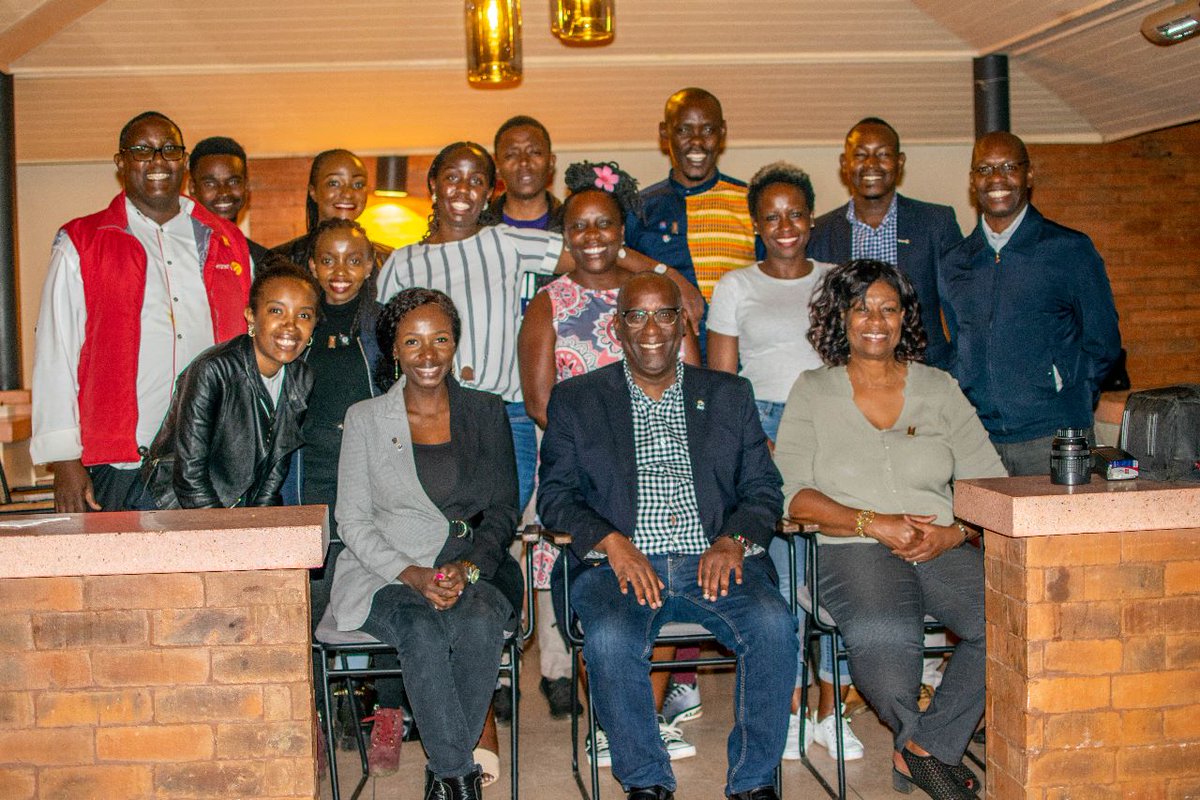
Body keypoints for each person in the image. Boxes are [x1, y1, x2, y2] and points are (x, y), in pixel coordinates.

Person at [538, 272, 795, 800]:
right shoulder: (578, 400)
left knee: (773, 625)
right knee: (610, 637)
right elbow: (556, 499)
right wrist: (612, 543)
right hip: (620, 563)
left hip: (714, 558)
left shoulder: (727, 394)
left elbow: (765, 489)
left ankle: (753, 782)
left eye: (664, 314)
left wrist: (732, 541)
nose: (650, 328)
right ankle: (646, 781)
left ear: (682, 324)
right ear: (617, 327)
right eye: (636, 315)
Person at [773, 259, 1006, 800]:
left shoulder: (939, 386)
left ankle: (924, 749)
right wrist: (872, 523)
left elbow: (989, 480)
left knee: (1008, 620)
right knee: (885, 632)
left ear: (905, 318)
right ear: (842, 318)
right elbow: (793, 494)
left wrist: (956, 532)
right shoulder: (813, 390)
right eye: (861, 308)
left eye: (888, 308)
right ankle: (919, 745)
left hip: (940, 542)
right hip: (851, 545)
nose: (875, 320)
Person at [518, 162, 698, 758]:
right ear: (565, 234)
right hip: (584, 470)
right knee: (605, 594)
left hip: (668, 461)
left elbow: (695, 386)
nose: (592, 236)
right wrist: (611, 449)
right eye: (579, 226)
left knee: (670, 581)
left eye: (604, 223)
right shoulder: (550, 301)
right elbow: (540, 401)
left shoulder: (655, 294)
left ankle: (643, 719)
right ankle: (609, 721)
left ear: (623, 229)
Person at [331, 288, 522, 800]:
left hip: (475, 563)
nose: (428, 354)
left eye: (440, 339)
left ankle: (445, 775)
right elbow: (351, 518)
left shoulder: (485, 410)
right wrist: (412, 574)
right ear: (393, 349)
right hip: (385, 569)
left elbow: (504, 509)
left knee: (481, 622)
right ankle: (457, 778)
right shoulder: (367, 418)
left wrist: (469, 569)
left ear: (455, 343)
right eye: (412, 342)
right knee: (420, 629)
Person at [705, 162, 859, 762]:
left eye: (796, 213)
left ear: (811, 216)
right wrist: (755, 445)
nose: (785, 225)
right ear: (756, 225)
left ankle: (833, 708)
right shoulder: (735, 286)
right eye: (771, 216)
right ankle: (793, 707)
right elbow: (721, 386)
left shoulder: (838, 280)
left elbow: (858, 366)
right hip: (762, 426)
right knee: (782, 574)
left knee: (839, 563)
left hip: (833, 423)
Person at [30, 110, 252, 513]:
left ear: (183, 161)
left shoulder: (226, 240)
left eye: (169, 150)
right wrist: (64, 459)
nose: (157, 161)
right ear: (121, 163)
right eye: (142, 151)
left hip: (212, 455)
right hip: (122, 460)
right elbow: (55, 351)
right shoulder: (82, 241)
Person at [621, 85, 762, 709]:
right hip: (656, 374)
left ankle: (709, 671)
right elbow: (605, 261)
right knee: (667, 515)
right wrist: (674, 280)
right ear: (665, 135)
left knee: (726, 517)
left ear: (722, 133)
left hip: (733, 389)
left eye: (708, 129)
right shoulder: (642, 208)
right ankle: (672, 681)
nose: (696, 141)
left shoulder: (747, 203)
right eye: (685, 129)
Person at [939, 131, 1121, 476]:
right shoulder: (956, 261)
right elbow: (958, 346)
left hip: (1054, 437)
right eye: (984, 169)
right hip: (979, 441)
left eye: (1009, 166)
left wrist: (1066, 396)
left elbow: (1104, 342)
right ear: (972, 181)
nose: (997, 178)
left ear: (1029, 175)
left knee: (1059, 531)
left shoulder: (1069, 249)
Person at [138, 260, 317, 509]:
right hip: (174, 508)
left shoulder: (301, 376)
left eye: (304, 315)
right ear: (251, 316)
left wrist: (261, 523)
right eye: (277, 311)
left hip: (233, 510)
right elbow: (190, 477)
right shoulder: (213, 370)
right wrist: (225, 537)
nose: (291, 325)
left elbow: (275, 468)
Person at [807, 118, 961, 371]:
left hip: (923, 374)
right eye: (860, 155)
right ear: (844, 164)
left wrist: (958, 372)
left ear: (899, 162)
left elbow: (960, 309)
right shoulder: (820, 232)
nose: (871, 164)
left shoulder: (936, 224)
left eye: (882, 154)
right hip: (847, 377)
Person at [271, 148, 392, 269]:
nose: (348, 193)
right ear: (313, 191)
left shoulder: (388, 260)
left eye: (358, 184)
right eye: (334, 183)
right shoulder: (282, 260)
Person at [187, 136, 272, 265]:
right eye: (210, 183)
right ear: (192, 188)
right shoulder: (178, 254)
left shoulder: (263, 259)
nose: (224, 192)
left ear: (246, 186)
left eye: (233, 181)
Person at [480, 115, 562, 232]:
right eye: (511, 155)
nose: (524, 162)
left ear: (551, 162)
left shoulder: (572, 224)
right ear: (497, 167)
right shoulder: (477, 227)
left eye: (534, 152)